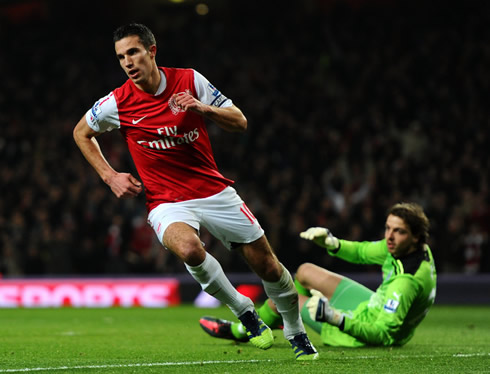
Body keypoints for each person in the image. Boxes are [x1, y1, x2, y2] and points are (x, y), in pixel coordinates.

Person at [73, 23, 317, 360]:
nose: (128, 62)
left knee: (270, 268)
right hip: (165, 200)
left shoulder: (190, 80)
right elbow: (81, 132)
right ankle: (244, 310)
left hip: (213, 190)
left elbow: (240, 121)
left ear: (151, 51)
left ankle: (295, 332)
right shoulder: (117, 103)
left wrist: (204, 109)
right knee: (188, 249)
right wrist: (110, 176)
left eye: (133, 52)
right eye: (120, 57)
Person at [200, 202, 437, 347]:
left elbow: (384, 333)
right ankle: (287, 319)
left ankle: (244, 330)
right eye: (388, 228)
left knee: (281, 300)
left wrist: (335, 317)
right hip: (373, 304)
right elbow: (364, 252)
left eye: (399, 232)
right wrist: (332, 243)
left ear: (415, 237)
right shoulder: (409, 247)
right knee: (304, 271)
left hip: (363, 330)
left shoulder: (406, 282)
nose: (389, 237)